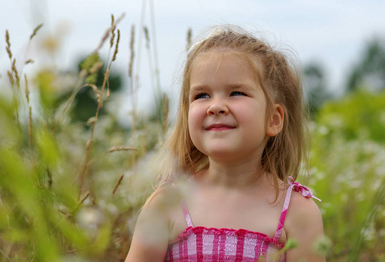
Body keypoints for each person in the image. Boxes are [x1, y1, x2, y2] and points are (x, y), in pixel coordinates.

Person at [125, 26, 325, 262]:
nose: (215, 106)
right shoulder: (167, 203)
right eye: (202, 95)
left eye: (236, 93)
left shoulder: (297, 211)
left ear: (273, 119)